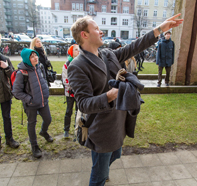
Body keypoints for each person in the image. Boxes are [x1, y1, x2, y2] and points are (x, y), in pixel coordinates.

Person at [67, 14, 183, 185]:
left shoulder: (107, 54)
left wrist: (160, 29)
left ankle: (103, 168)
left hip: (118, 120)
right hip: (102, 128)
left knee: (116, 154)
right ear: (84, 35)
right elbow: (84, 104)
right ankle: (101, 173)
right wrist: (111, 94)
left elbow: (134, 47)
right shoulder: (77, 66)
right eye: (96, 28)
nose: (101, 31)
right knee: (98, 175)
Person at [12, 48, 53, 158]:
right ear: (27, 59)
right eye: (32, 57)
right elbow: (16, 91)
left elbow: (43, 79)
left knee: (48, 119)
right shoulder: (22, 73)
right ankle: (34, 146)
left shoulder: (39, 66)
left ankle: (43, 132)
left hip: (43, 100)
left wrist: (45, 93)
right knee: (31, 124)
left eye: (36, 56)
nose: (36, 58)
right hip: (31, 104)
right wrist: (29, 99)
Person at [62, 44, 79, 138]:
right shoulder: (67, 64)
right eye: (76, 50)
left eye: (78, 49)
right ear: (71, 52)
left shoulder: (81, 62)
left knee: (78, 111)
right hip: (70, 92)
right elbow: (65, 79)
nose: (78, 51)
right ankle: (66, 130)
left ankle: (77, 128)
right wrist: (73, 87)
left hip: (79, 92)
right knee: (69, 111)